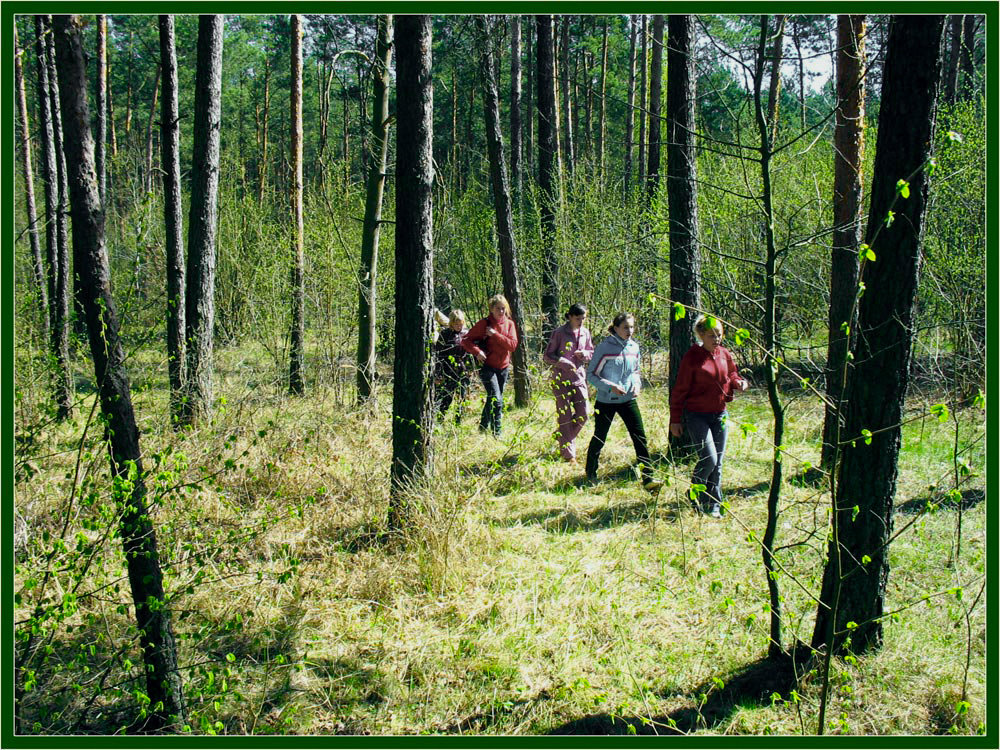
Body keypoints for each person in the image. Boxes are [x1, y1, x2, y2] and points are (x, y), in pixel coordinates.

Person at [669, 314, 749, 518]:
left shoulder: (724, 353)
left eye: (719, 335)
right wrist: (675, 419)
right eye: (712, 335)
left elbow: (732, 374)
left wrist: (739, 383)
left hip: (720, 414)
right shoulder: (692, 357)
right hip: (697, 415)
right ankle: (695, 491)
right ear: (701, 335)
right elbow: (680, 390)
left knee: (718, 463)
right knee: (709, 459)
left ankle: (714, 505)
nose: (716, 339)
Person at [585, 312, 662, 490]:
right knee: (600, 436)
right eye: (626, 327)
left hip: (627, 399)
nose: (630, 331)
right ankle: (591, 473)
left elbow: (635, 372)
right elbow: (591, 375)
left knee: (639, 437)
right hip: (606, 401)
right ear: (616, 327)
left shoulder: (634, 347)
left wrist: (636, 385)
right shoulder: (605, 347)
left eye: (632, 327)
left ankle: (648, 478)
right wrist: (610, 386)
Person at [462, 294, 519, 437]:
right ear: (491, 309)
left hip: (504, 367)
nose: (501, 312)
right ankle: (497, 432)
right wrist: (477, 352)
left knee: (493, 397)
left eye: (503, 308)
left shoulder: (509, 324)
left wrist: (495, 335)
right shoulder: (484, 324)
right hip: (487, 367)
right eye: (498, 308)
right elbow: (466, 340)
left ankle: (482, 426)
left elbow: (512, 345)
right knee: (497, 399)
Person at [543, 303, 594, 462]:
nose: (581, 321)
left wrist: (585, 354)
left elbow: (591, 352)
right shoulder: (559, 333)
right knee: (564, 416)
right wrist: (561, 361)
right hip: (560, 379)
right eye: (578, 318)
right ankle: (569, 456)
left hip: (578, 378)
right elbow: (547, 356)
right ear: (570, 316)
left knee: (584, 413)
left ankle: (563, 436)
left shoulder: (585, 333)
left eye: (583, 318)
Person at [433, 309, 473, 424]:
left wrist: (470, 368)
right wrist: (438, 373)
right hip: (448, 370)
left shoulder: (467, 333)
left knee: (462, 396)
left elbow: (471, 352)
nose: (458, 326)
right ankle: (440, 419)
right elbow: (438, 354)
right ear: (451, 322)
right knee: (447, 396)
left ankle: (458, 421)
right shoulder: (445, 334)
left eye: (460, 323)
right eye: (456, 323)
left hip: (463, 370)